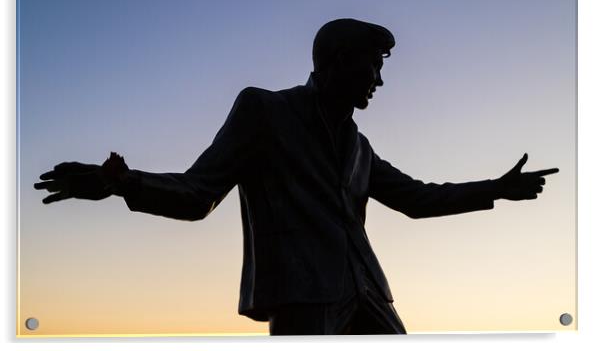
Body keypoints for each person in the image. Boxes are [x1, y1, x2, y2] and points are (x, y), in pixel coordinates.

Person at [34, 18, 559, 335]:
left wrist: (496, 189)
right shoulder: (264, 111)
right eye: (372, 65)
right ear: (334, 62)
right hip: (304, 296)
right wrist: (122, 183)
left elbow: (417, 199)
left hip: (371, 295)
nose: (380, 79)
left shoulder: (360, 147)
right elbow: (198, 194)